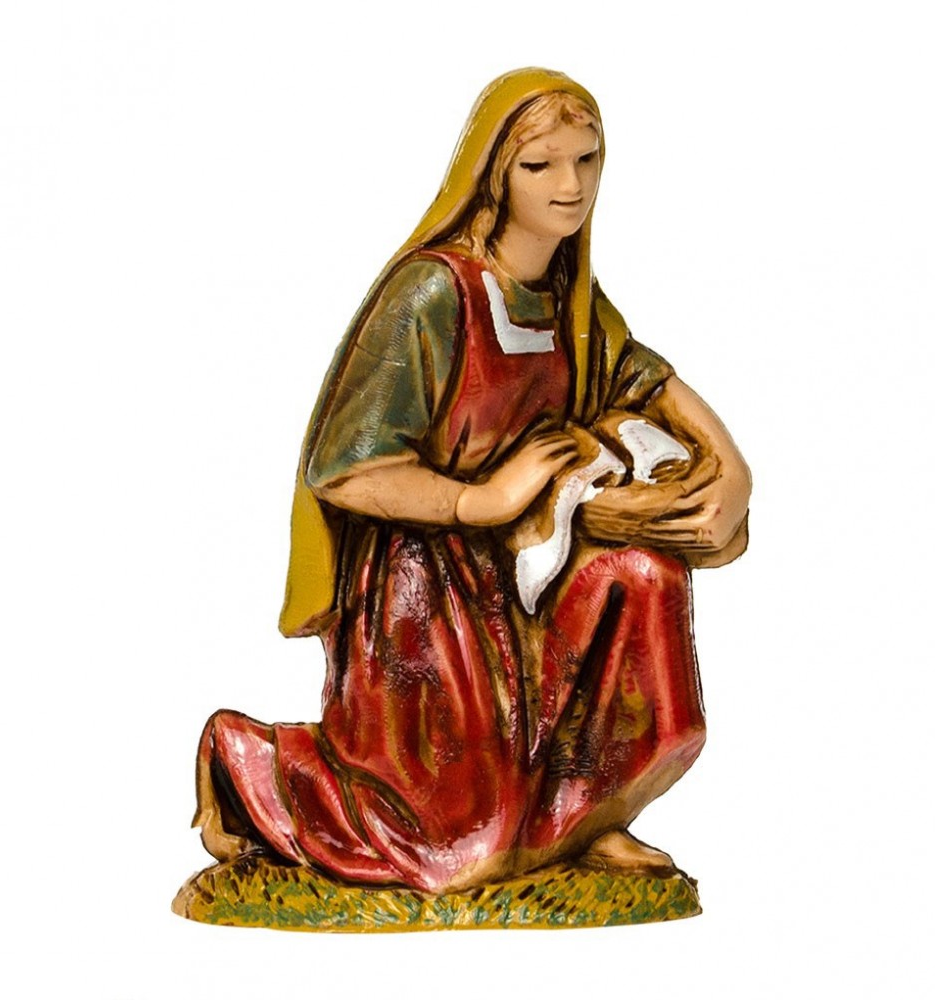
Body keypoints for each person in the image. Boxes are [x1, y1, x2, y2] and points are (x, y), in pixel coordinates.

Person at [191, 68, 751, 894]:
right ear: (495, 173)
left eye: (587, 159)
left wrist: (732, 468)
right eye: (541, 165)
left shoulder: (566, 295)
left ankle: (576, 823)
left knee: (645, 585)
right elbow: (344, 466)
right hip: (427, 578)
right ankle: (250, 766)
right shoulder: (431, 292)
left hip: (533, 558)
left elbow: (643, 378)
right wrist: (478, 500)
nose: (570, 185)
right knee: (458, 844)